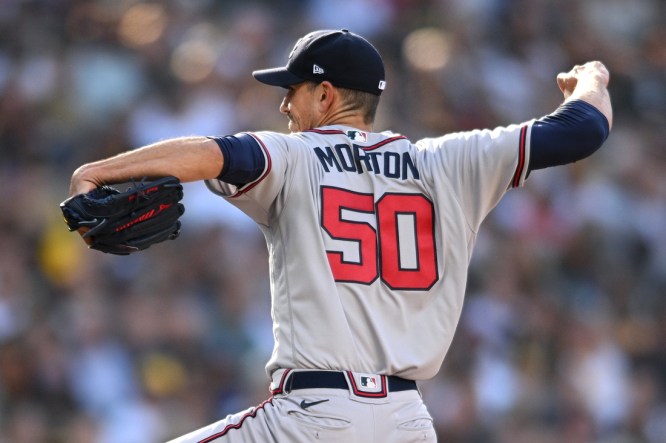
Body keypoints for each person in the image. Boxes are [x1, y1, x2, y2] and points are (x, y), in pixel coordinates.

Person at [67, 29, 612, 443]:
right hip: (407, 423)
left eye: (293, 91)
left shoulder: (294, 154)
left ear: (325, 95)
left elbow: (213, 152)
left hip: (313, 418)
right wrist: (592, 79)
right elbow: (584, 128)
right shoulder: (451, 161)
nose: (284, 105)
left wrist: (98, 171)